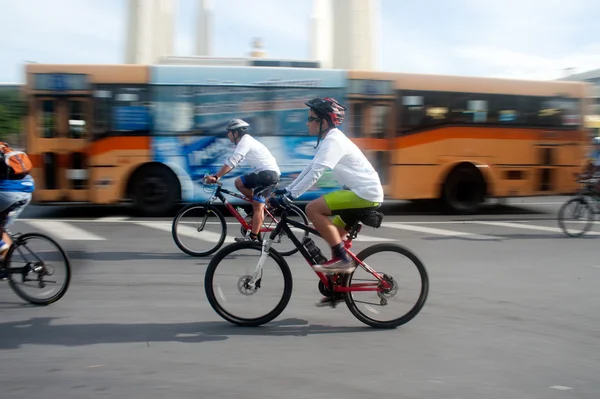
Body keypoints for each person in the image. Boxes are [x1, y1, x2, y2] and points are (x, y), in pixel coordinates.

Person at [274, 97, 384, 305]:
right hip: (361, 192)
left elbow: (317, 171)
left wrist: (290, 196)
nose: (307, 123)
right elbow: (310, 168)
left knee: (313, 209)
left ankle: (342, 261)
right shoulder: (330, 139)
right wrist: (287, 190)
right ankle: (339, 289)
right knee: (335, 237)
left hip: (363, 193)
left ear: (324, 122)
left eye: (311, 119)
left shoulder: (333, 140)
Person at [205, 119, 281, 242]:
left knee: (257, 206)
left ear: (236, 133)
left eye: (229, 132)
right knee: (239, 183)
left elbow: (233, 161)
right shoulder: (245, 141)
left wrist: (217, 176)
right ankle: (261, 205)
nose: (227, 135)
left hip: (268, 175)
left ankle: (252, 237)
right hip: (260, 173)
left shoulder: (245, 141)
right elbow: (235, 161)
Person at [0, 143, 35, 259]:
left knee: (1, 241)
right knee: (2, 229)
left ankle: (1, 246)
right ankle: (4, 268)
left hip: (9, 194)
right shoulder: (4, 147)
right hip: (26, 191)